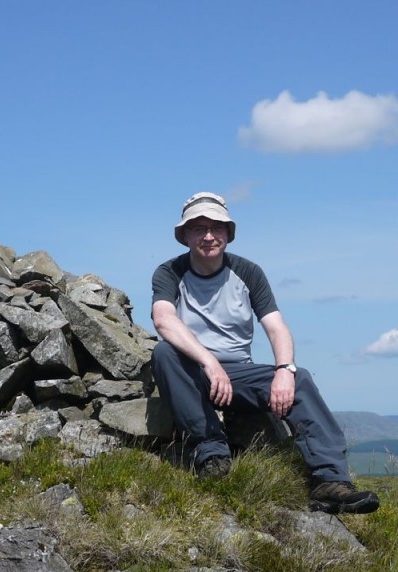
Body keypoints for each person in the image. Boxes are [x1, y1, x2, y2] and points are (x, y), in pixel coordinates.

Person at [151, 191, 379, 515]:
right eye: (198, 228)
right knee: (164, 354)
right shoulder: (169, 272)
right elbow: (163, 320)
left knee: (300, 381)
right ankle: (212, 455)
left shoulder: (248, 272)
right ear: (185, 235)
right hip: (192, 370)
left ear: (228, 233)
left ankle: (331, 482)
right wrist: (209, 361)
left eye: (216, 227)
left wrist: (285, 369)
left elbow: (276, 326)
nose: (208, 235)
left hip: (239, 374)